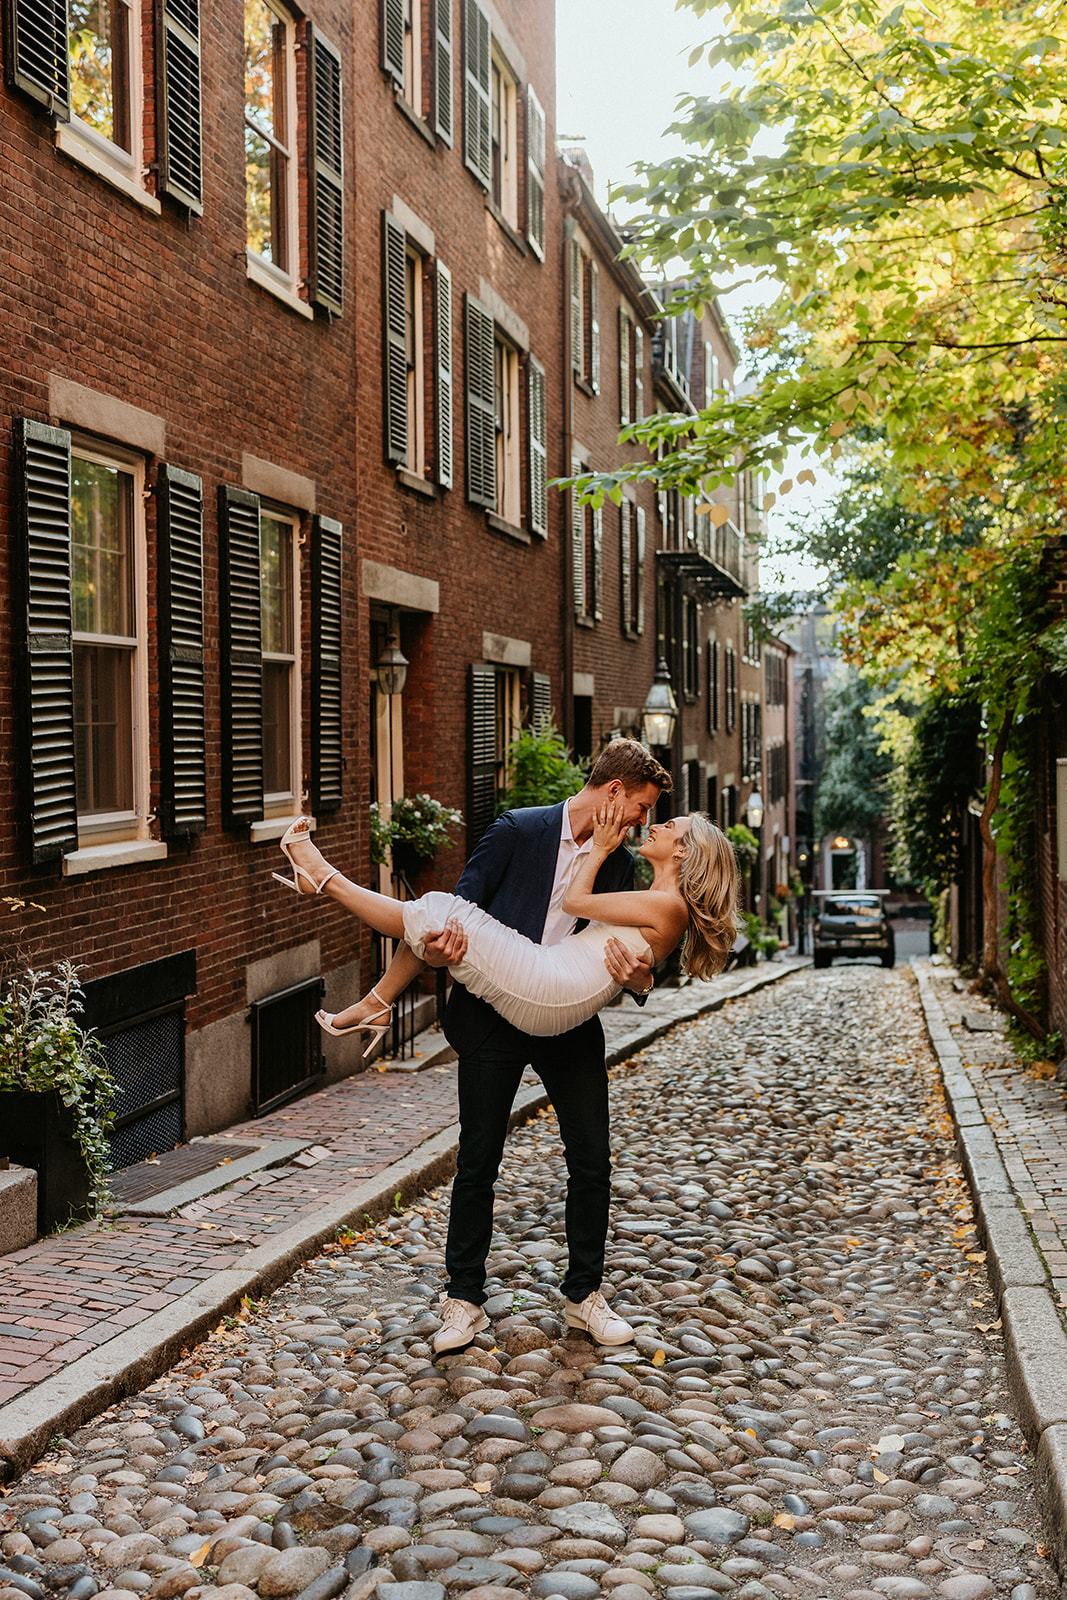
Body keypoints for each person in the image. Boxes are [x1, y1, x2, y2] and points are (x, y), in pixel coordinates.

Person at [278, 742, 733, 1353]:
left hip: (566, 1023)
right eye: (640, 807)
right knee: (477, 1161)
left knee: (592, 1160)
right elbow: (452, 919)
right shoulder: (519, 830)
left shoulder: (622, 863)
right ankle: (463, 1299)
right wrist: (434, 958)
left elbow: (638, 951)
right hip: (493, 1012)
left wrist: (640, 978)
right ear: (615, 792)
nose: (641, 822)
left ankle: (584, 1296)